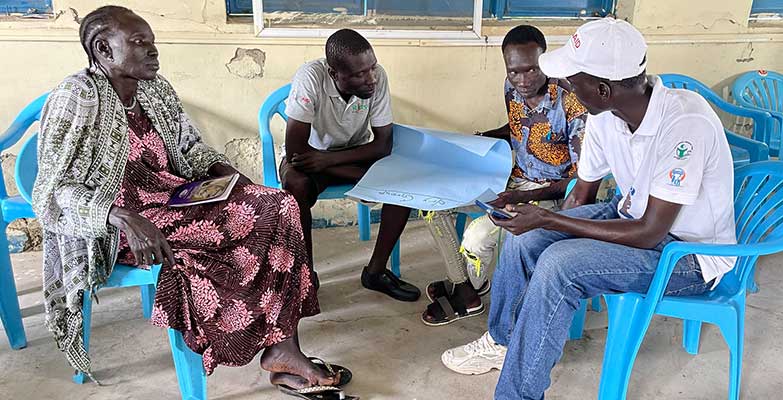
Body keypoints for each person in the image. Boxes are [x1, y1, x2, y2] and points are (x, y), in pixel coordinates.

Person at [33, 6, 351, 396]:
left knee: (278, 205)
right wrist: (121, 218)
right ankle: (239, 338)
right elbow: (53, 191)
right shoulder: (77, 96)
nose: (153, 50)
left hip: (173, 198)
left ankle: (283, 348)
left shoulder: (155, 88)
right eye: (139, 42)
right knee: (219, 246)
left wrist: (228, 175)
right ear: (103, 49)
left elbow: (189, 147)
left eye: (152, 41)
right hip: (118, 225)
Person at [440, 18, 737, 400]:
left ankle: (517, 394)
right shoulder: (605, 116)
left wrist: (550, 218)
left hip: (690, 255)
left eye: (570, 79)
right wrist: (540, 221)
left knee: (560, 265)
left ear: (602, 88)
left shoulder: (684, 123)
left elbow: (650, 233)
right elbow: (582, 194)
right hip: (628, 213)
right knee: (526, 238)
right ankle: (505, 342)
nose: (561, 85)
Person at [420, 25, 586, 326]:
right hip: (511, 181)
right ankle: (467, 286)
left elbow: (580, 181)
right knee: (432, 204)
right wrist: (478, 139)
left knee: (477, 235)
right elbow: (518, 129)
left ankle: (466, 294)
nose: (522, 81)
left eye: (531, 70)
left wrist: (525, 197)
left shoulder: (571, 103)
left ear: (545, 61)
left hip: (550, 194)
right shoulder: (512, 88)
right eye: (514, 72)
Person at [279, 29, 419, 302]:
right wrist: (321, 161)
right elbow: (297, 150)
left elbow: (382, 145)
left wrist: (328, 161)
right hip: (307, 158)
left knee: (402, 185)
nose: (371, 79)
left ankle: (376, 272)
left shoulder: (377, 79)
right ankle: (307, 276)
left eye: (372, 68)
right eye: (359, 75)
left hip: (347, 155)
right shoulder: (310, 77)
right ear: (334, 74)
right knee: (295, 184)